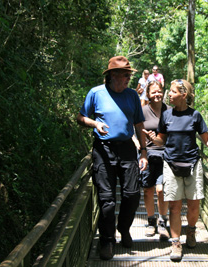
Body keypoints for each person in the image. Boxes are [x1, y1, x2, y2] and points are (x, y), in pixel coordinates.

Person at [143, 79, 208, 262]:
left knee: (193, 204)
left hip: (192, 164)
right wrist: (153, 139)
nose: (169, 94)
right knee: (175, 206)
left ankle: (190, 232)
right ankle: (175, 243)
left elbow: (206, 139)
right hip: (170, 164)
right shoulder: (166, 116)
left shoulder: (195, 116)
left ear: (183, 95)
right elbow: (163, 140)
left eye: (173, 92)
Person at [76, 56, 148, 261]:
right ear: (112, 76)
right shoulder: (96, 93)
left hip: (127, 148)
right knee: (106, 199)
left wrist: (143, 151)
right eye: (125, 75)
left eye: (129, 75)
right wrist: (94, 124)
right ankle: (107, 241)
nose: (128, 79)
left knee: (133, 194)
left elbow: (139, 125)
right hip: (103, 149)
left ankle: (123, 229)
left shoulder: (132, 95)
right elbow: (80, 117)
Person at [140, 81, 171, 240]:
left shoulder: (170, 111)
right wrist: (141, 149)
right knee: (148, 190)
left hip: (166, 155)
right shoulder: (142, 111)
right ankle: (151, 222)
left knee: (162, 189)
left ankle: (162, 222)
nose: (157, 94)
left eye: (159, 91)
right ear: (148, 94)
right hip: (147, 155)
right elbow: (133, 131)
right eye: (153, 92)